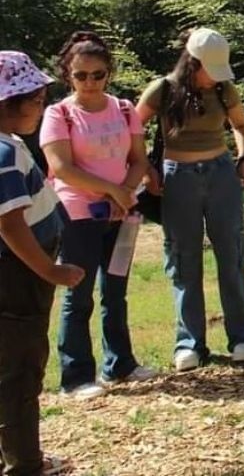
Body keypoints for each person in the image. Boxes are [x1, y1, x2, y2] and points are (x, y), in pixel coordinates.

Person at [135, 28, 244, 371]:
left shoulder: (224, 88)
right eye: (209, 70)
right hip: (178, 179)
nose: (213, 78)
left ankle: (243, 338)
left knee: (231, 254)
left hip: (221, 174)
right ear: (192, 63)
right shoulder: (163, 89)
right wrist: (146, 168)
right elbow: (133, 125)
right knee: (183, 259)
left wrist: (243, 157)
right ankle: (189, 343)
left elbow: (241, 125)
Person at [40, 33, 154, 399]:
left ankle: (120, 362)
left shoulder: (123, 109)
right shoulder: (58, 114)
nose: (90, 82)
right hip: (78, 212)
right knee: (80, 292)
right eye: (81, 75)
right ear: (68, 76)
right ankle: (75, 376)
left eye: (98, 74)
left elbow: (139, 159)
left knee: (116, 290)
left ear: (109, 73)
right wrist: (113, 190)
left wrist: (126, 193)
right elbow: (62, 167)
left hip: (121, 212)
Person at [0, 51, 85, 476]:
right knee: (21, 369)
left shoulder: (10, 145)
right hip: (20, 276)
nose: (41, 107)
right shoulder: (3, 153)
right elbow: (10, 224)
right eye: (35, 99)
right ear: (8, 103)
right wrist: (50, 270)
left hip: (22, 272)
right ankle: (25, 465)